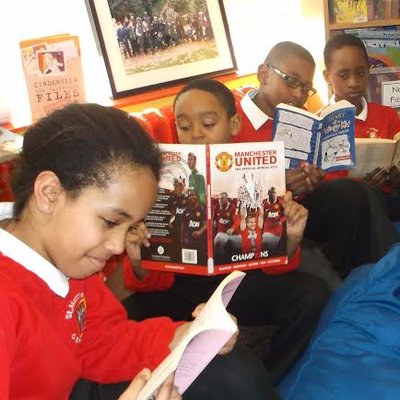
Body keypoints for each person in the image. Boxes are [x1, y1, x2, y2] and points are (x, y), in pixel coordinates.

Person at [0, 103, 242, 400]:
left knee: (228, 375)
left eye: (129, 228)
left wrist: (181, 337)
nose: (117, 247)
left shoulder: (70, 260)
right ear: (50, 194)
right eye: (110, 221)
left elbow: (98, 339)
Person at [120, 78, 330, 384]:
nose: (195, 134)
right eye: (184, 126)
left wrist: (291, 240)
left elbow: (270, 266)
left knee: (312, 293)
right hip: (182, 289)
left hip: (241, 284)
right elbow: (151, 278)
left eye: (207, 123)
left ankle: (276, 376)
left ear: (233, 124)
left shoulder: (258, 171)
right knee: (125, 313)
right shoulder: (161, 177)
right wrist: (139, 260)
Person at [234, 40, 399, 278]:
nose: (298, 94)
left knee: (352, 196)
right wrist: (285, 184)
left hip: (304, 208)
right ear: (263, 74)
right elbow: (229, 192)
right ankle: (388, 275)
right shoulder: (232, 122)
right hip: (272, 216)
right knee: (353, 193)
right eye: (291, 81)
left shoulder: (301, 120)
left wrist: (311, 177)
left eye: (305, 88)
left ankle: (380, 275)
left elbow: (309, 184)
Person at [323, 32, 400, 222]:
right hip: (342, 210)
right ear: (327, 76)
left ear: (369, 69)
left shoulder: (388, 116)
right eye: (343, 75)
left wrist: (393, 177)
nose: (354, 83)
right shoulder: (319, 122)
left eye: (360, 73)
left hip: (386, 201)